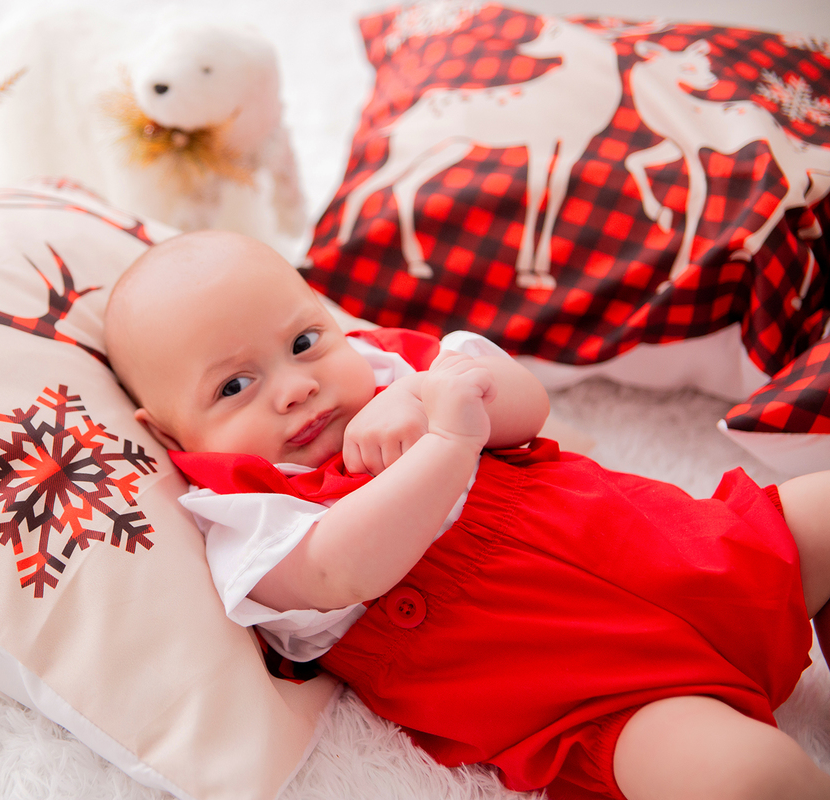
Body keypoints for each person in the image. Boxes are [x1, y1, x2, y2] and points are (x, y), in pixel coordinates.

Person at [103, 230, 830, 800]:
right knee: (751, 780)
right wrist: (447, 442)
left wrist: (432, 394)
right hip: (614, 701)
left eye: (303, 343)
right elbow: (339, 569)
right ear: (169, 435)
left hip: (706, 546)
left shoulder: (397, 368)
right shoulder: (248, 520)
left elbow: (527, 409)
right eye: (234, 385)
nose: (296, 387)